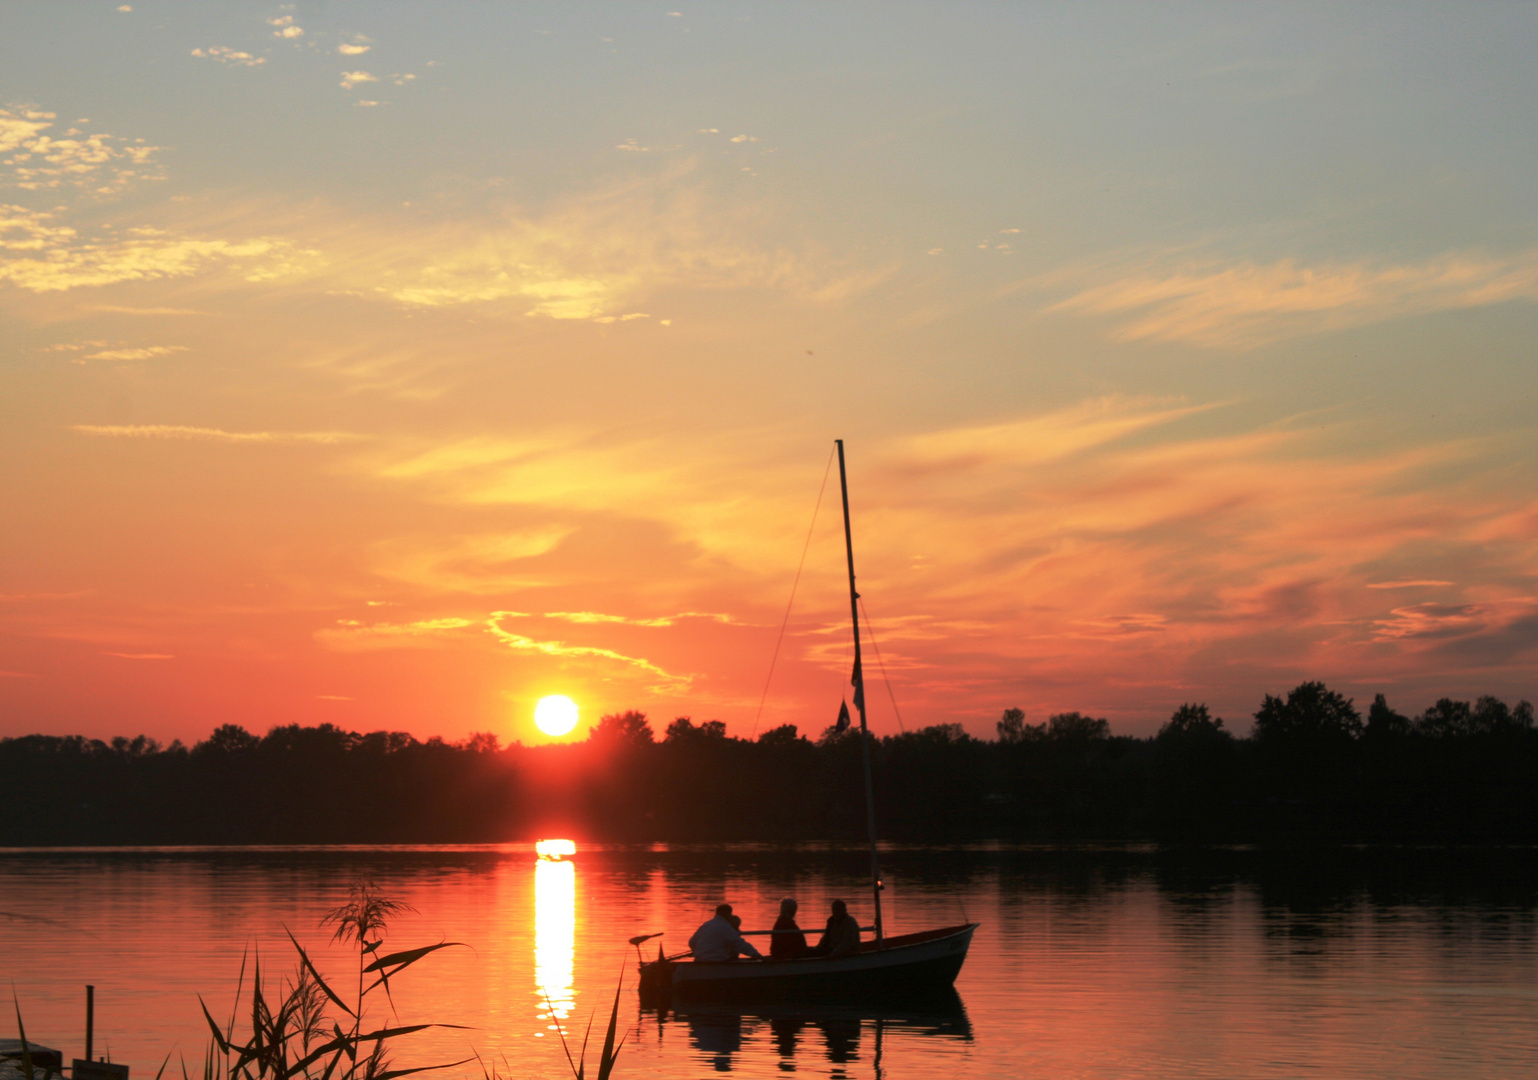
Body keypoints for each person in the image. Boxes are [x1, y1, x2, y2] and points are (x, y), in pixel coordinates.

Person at [688, 903, 762, 962]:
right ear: (729, 913)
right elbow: (740, 944)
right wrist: (759, 956)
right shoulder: (725, 927)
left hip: (699, 961)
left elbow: (692, 942)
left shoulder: (706, 924)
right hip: (717, 963)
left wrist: (698, 952)